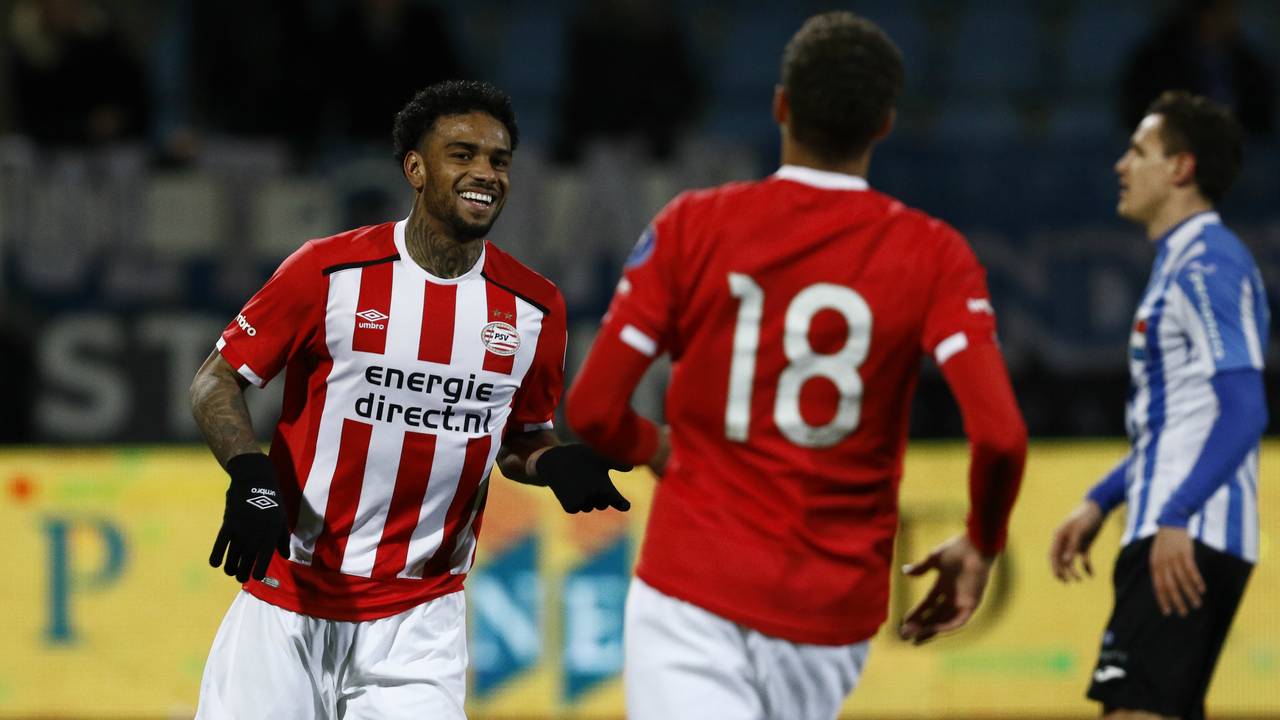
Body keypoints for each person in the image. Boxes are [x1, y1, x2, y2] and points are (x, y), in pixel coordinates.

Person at [565, 12, 1027, 720]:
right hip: (829, 609)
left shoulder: (691, 225)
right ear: (884, 124)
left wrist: (653, 446)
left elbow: (593, 408)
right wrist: (984, 541)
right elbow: (1000, 438)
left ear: (781, 106)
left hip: (693, 584)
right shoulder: (934, 254)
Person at [188, 80, 630, 720]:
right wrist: (251, 476)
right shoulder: (326, 271)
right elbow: (215, 380)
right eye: (463, 154)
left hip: (421, 624)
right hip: (288, 601)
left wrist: (552, 461)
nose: (485, 173)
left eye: (498, 160)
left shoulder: (536, 309)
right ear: (415, 169)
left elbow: (523, 437)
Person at [1050, 91, 1269, 720]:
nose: (1122, 165)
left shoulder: (1207, 264)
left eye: (1139, 151)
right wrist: (1101, 499)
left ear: (1181, 169)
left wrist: (1176, 513)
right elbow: (1178, 422)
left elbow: (1246, 410)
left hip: (1182, 536)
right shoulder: (1184, 264)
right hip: (1175, 527)